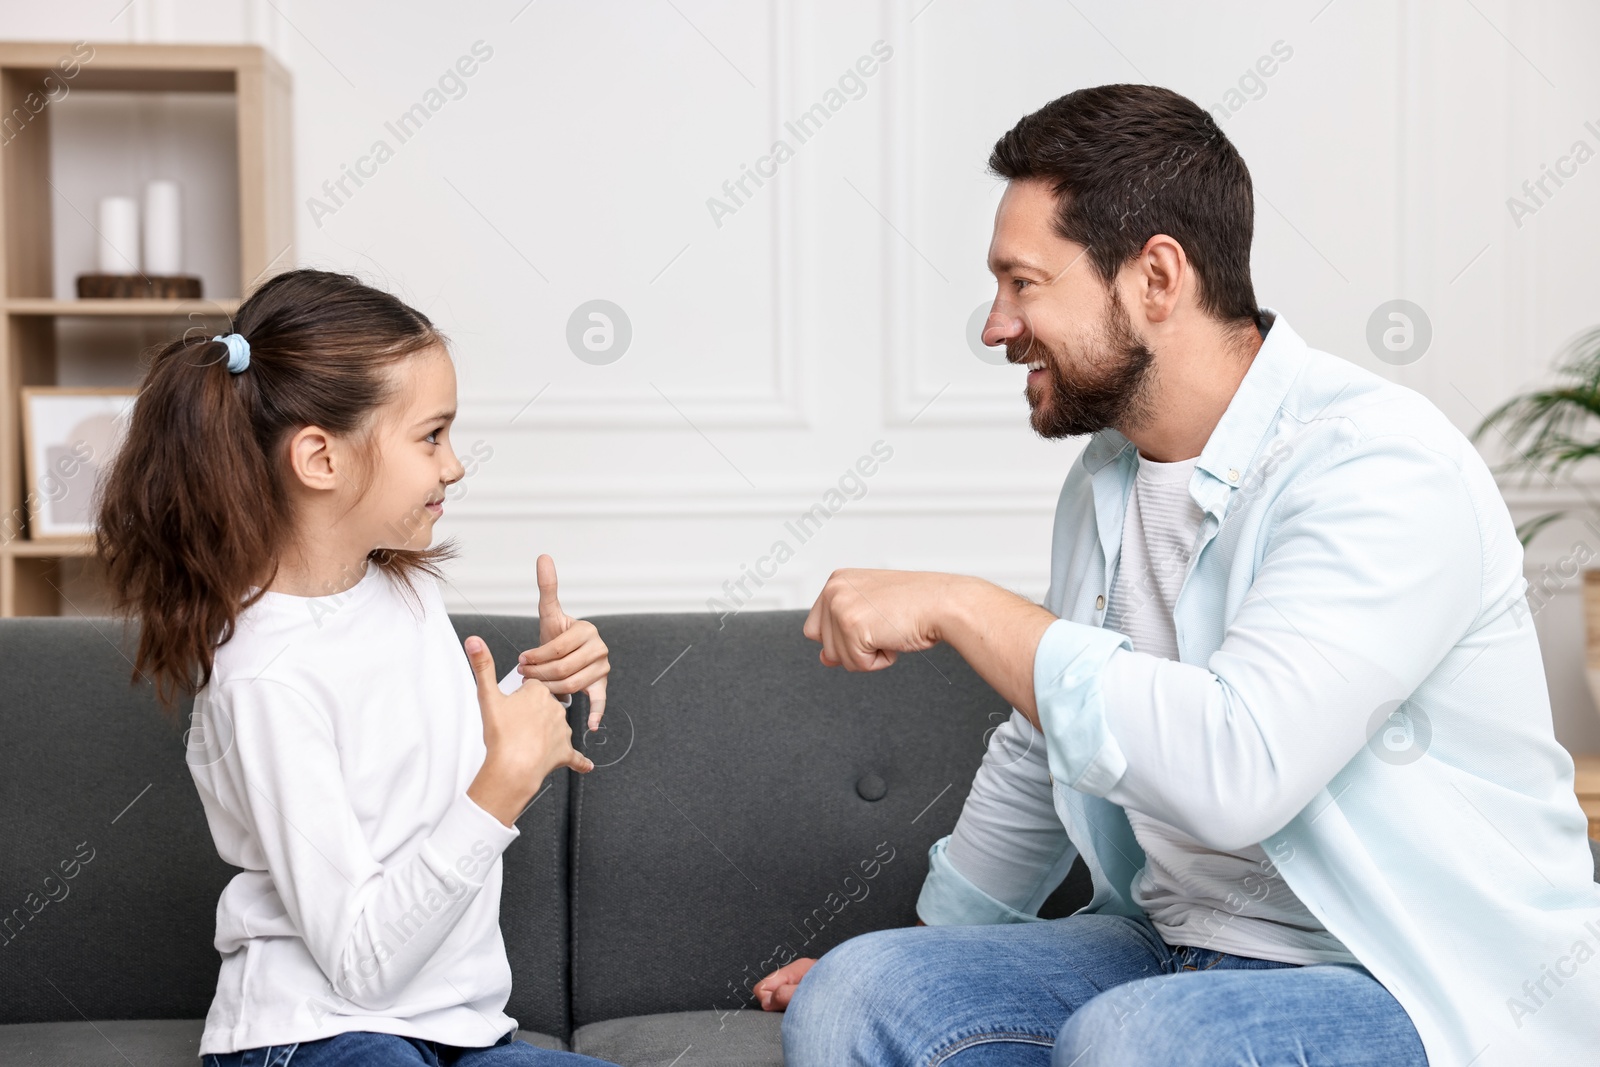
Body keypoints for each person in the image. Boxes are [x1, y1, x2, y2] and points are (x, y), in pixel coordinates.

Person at [756, 84, 1600, 1066]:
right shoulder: (1105, 478)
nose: (995, 325)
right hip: (1171, 947)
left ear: (1156, 276)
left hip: (1411, 977)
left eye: (1023, 283)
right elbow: (1047, 744)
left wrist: (964, 604)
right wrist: (937, 953)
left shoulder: (1376, 465)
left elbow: (1237, 767)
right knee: (862, 994)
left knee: (1136, 1044)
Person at [96, 270, 618, 1066]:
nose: (454, 465)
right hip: (311, 1031)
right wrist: (506, 785)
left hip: (457, 1029)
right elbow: (363, 964)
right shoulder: (263, 675)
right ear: (320, 457)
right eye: (431, 435)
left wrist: (544, 682)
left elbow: (437, 774)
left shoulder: (402, 593)